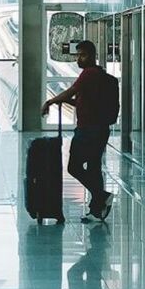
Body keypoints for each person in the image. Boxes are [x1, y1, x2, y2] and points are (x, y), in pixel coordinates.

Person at [42, 40, 118, 221]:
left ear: (91, 56)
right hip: (100, 129)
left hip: (88, 130)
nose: (79, 59)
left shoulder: (89, 73)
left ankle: (101, 196)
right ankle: (97, 210)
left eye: (82, 55)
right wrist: (66, 101)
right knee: (93, 167)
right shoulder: (98, 74)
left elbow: (71, 91)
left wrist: (50, 102)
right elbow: (82, 101)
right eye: (77, 55)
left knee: (74, 167)